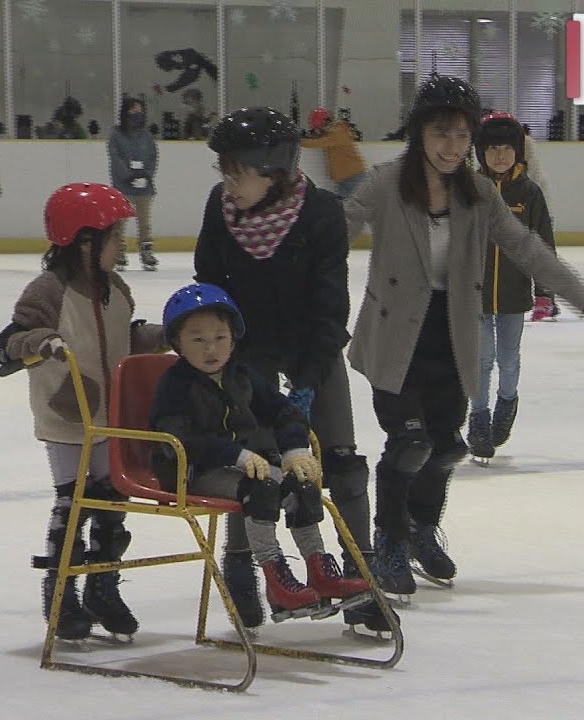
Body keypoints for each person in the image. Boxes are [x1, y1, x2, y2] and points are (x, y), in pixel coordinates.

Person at [341, 75, 584, 597]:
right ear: (419, 134)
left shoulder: (478, 194)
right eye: (441, 133)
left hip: (452, 335)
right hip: (395, 338)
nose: (453, 146)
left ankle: (423, 529)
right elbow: (336, 229)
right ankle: (389, 543)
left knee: (446, 446)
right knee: (408, 442)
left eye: (461, 134)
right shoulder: (385, 183)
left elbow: (528, 248)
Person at [192, 106, 394, 634]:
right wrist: (226, 364)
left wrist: (306, 383)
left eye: (239, 171)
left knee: (343, 461)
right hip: (246, 355)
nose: (228, 183)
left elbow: (329, 305)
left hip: (312, 350)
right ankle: (244, 577)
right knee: (253, 466)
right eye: (225, 171)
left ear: (274, 169)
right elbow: (209, 287)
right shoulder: (221, 210)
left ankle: (360, 577)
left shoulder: (322, 213)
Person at [0, 182, 168, 640]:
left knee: (112, 502)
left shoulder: (118, 288)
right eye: (116, 236)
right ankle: (61, 592)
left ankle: (103, 587)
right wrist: (39, 342)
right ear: (84, 242)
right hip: (67, 414)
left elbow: (124, 338)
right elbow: (12, 341)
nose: (123, 244)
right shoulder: (49, 290)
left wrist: (166, 335)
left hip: (111, 416)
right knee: (73, 501)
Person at [148, 283, 371, 623]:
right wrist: (235, 455)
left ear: (233, 338)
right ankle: (276, 579)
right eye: (198, 340)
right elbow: (179, 438)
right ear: (177, 343)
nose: (211, 349)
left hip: (239, 465)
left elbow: (282, 410)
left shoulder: (241, 375)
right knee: (263, 488)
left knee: (300, 484)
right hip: (191, 470)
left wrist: (295, 448)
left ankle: (319, 569)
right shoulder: (176, 385)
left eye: (220, 338)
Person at [466, 111, 557, 464]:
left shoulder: (529, 193)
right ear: (481, 152)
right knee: (482, 358)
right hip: (475, 292)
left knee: (507, 358)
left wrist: (545, 289)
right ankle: (479, 419)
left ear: (518, 152)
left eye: (506, 149)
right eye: (492, 149)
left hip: (514, 292)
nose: (500, 156)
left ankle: (506, 403)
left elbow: (542, 242)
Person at [107, 97, 160, 271]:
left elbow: (153, 157)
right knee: (120, 221)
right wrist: (127, 175)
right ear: (125, 111)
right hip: (123, 185)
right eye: (133, 109)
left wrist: (147, 175)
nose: (137, 113)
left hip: (144, 185)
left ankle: (146, 250)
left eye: (140, 109)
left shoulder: (146, 136)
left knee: (144, 221)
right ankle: (118, 250)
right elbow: (115, 157)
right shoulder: (116, 135)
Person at [301, 106, 368, 200]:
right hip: (347, 175)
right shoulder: (333, 131)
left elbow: (318, 143)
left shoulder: (338, 131)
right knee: (346, 205)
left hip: (352, 175)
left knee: (348, 206)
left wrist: (299, 141)